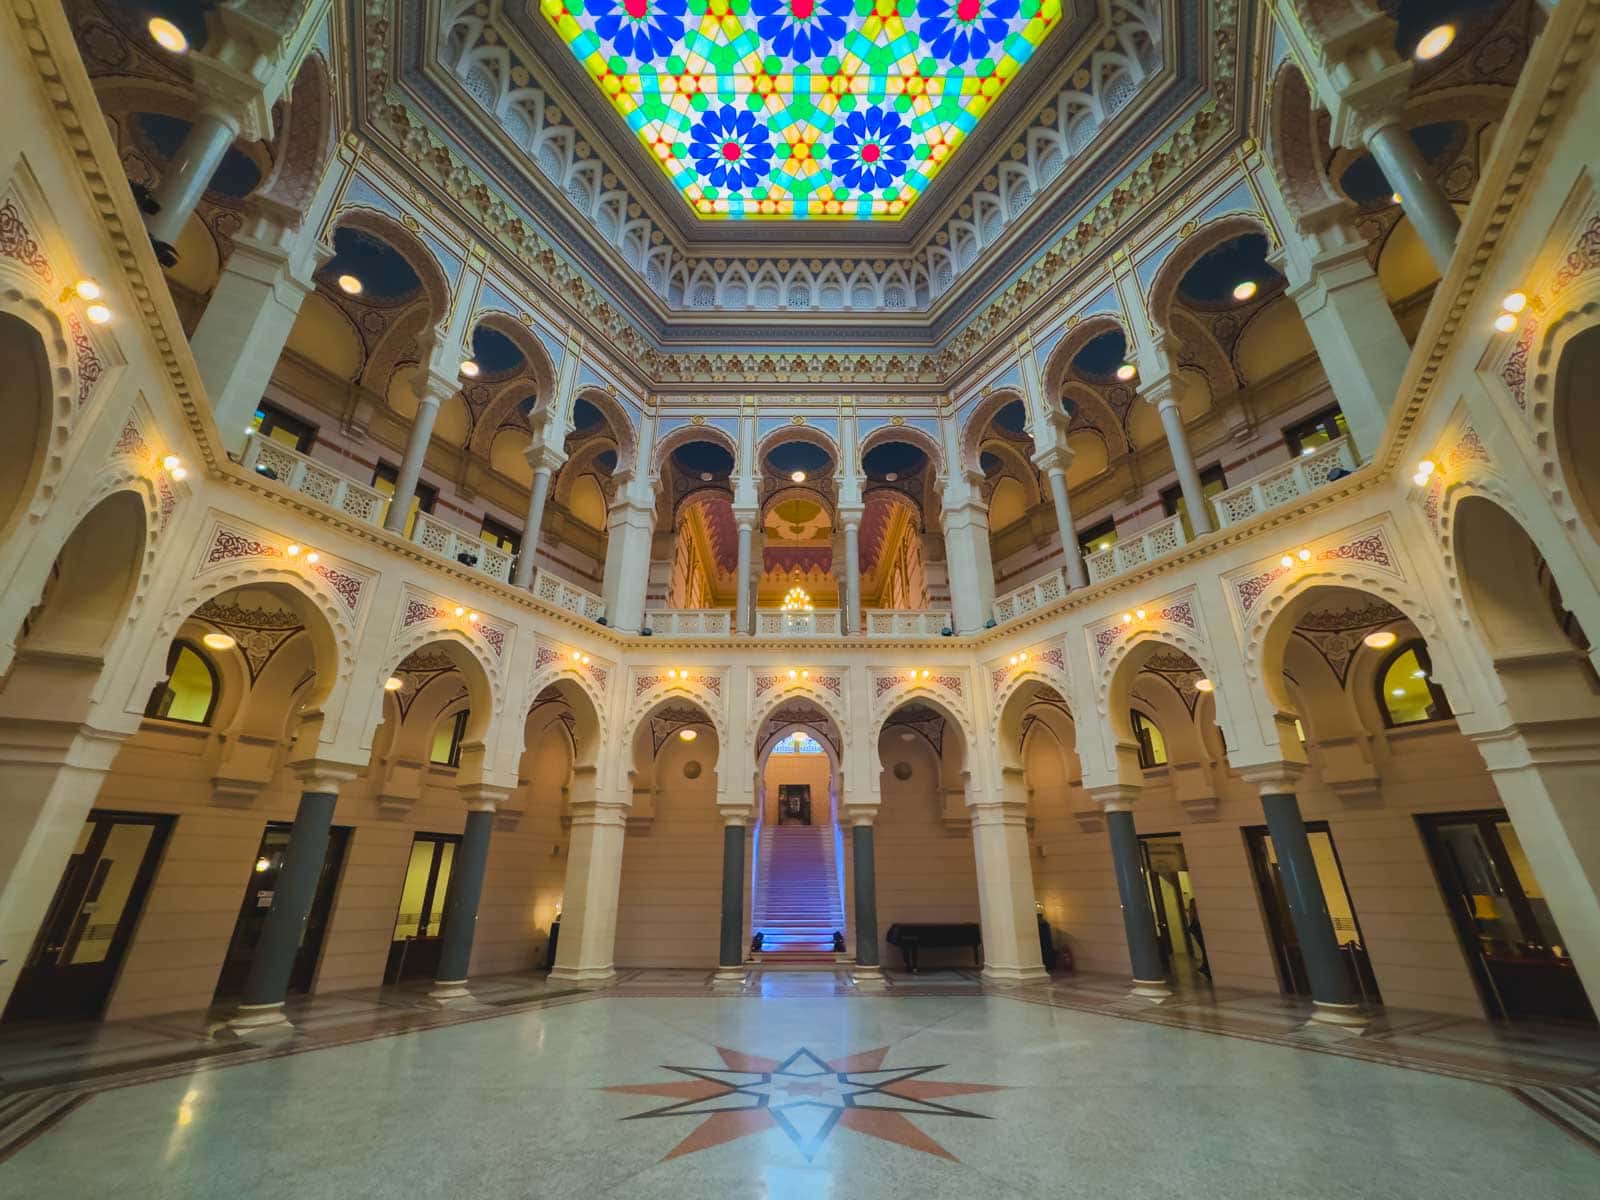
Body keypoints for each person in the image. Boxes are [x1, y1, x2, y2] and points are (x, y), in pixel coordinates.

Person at [1186, 896, 1212, 981]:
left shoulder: (1193, 916)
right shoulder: (1196, 918)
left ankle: (1205, 968)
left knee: (1205, 951)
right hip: (1198, 932)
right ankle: (1206, 969)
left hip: (1197, 932)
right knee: (1205, 951)